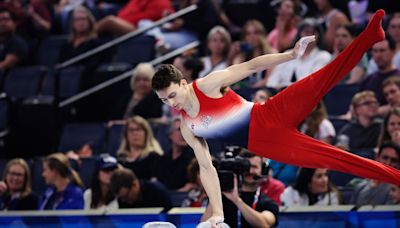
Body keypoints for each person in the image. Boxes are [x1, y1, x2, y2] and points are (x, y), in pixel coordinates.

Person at [152, 10, 400, 226]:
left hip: (270, 111)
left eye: (172, 95)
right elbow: (207, 169)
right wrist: (217, 212)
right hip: (268, 144)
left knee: (324, 77)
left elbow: (250, 66)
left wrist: (290, 55)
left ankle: (370, 36)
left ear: (183, 83)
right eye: (164, 101)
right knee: (337, 159)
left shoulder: (207, 85)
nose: (171, 103)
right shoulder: (187, 126)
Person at [204, 151, 279, 228]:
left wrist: (237, 200)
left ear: (263, 170)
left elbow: (264, 224)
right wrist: (216, 194)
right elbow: (204, 225)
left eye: (254, 167)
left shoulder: (267, 202)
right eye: (246, 167)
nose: (249, 171)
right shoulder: (222, 198)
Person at [350, 142, 400, 206]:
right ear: (377, 158)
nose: (388, 163)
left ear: (398, 165)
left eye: (394, 160)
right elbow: (350, 212)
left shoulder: (397, 190)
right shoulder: (361, 186)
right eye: (385, 158)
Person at [117, 115, 163, 180]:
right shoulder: (120, 158)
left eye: (138, 129)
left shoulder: (154, 157)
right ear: (126, 135)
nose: (135, 133)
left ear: (146, 133)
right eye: (131, 130)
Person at [154, 118, 194, 191]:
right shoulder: (162, 159)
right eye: (179, 129)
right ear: (170, 135)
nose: (184, 133)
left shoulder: (194, 158)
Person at [360, 33, 400, 105]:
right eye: (375, 51)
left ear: (393, 52)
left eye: (382, 50)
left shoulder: (398, 77)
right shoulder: (368, 79)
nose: (378, 55)